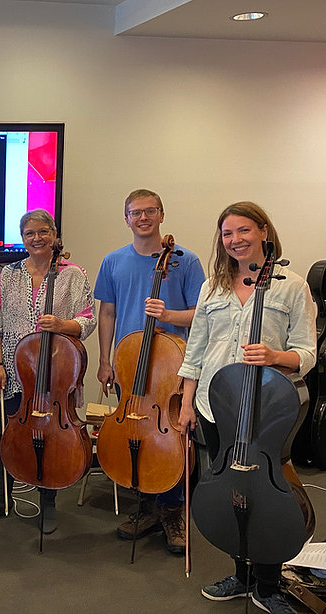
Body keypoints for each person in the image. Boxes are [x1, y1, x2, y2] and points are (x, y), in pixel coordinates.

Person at [178, 202, 316, 614]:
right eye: (226, 233)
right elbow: (196, 350)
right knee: (230, 491)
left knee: (265, 492)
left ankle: (269, 583)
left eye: (243, 231)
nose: (235, 240)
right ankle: (240, 575)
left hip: (268, 406)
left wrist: (276, 356)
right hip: (214, 404)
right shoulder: (212, 287)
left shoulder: (291, 285)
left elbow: (307, 353)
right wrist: (186, 401)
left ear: (263, 232)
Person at [94, 188, 205, 554]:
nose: (142, 218)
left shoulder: (184, 261)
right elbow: (107, 312)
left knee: (171, 436)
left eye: (149, 211)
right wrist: (105, 359)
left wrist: (168, 316)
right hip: (128, 361)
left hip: (170, 364)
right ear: (126, 218)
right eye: (135, 212)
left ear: (161, 214)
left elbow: (200, 313)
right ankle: (146, 507)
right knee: (134, 431)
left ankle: (173, 511)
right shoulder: (113, 261)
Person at [0, 209, 96, 528]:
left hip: (57, 374)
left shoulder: (72, 274)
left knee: (52, 437)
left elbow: (88, 319)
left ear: (54, 235)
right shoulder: (9, 274)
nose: (37, 238)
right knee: (8, 435)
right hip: (16, 373)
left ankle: (48, 502)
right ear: (23, 239)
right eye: (30, 234)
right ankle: (2, 496)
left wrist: (62, 324)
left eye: (43, 232)